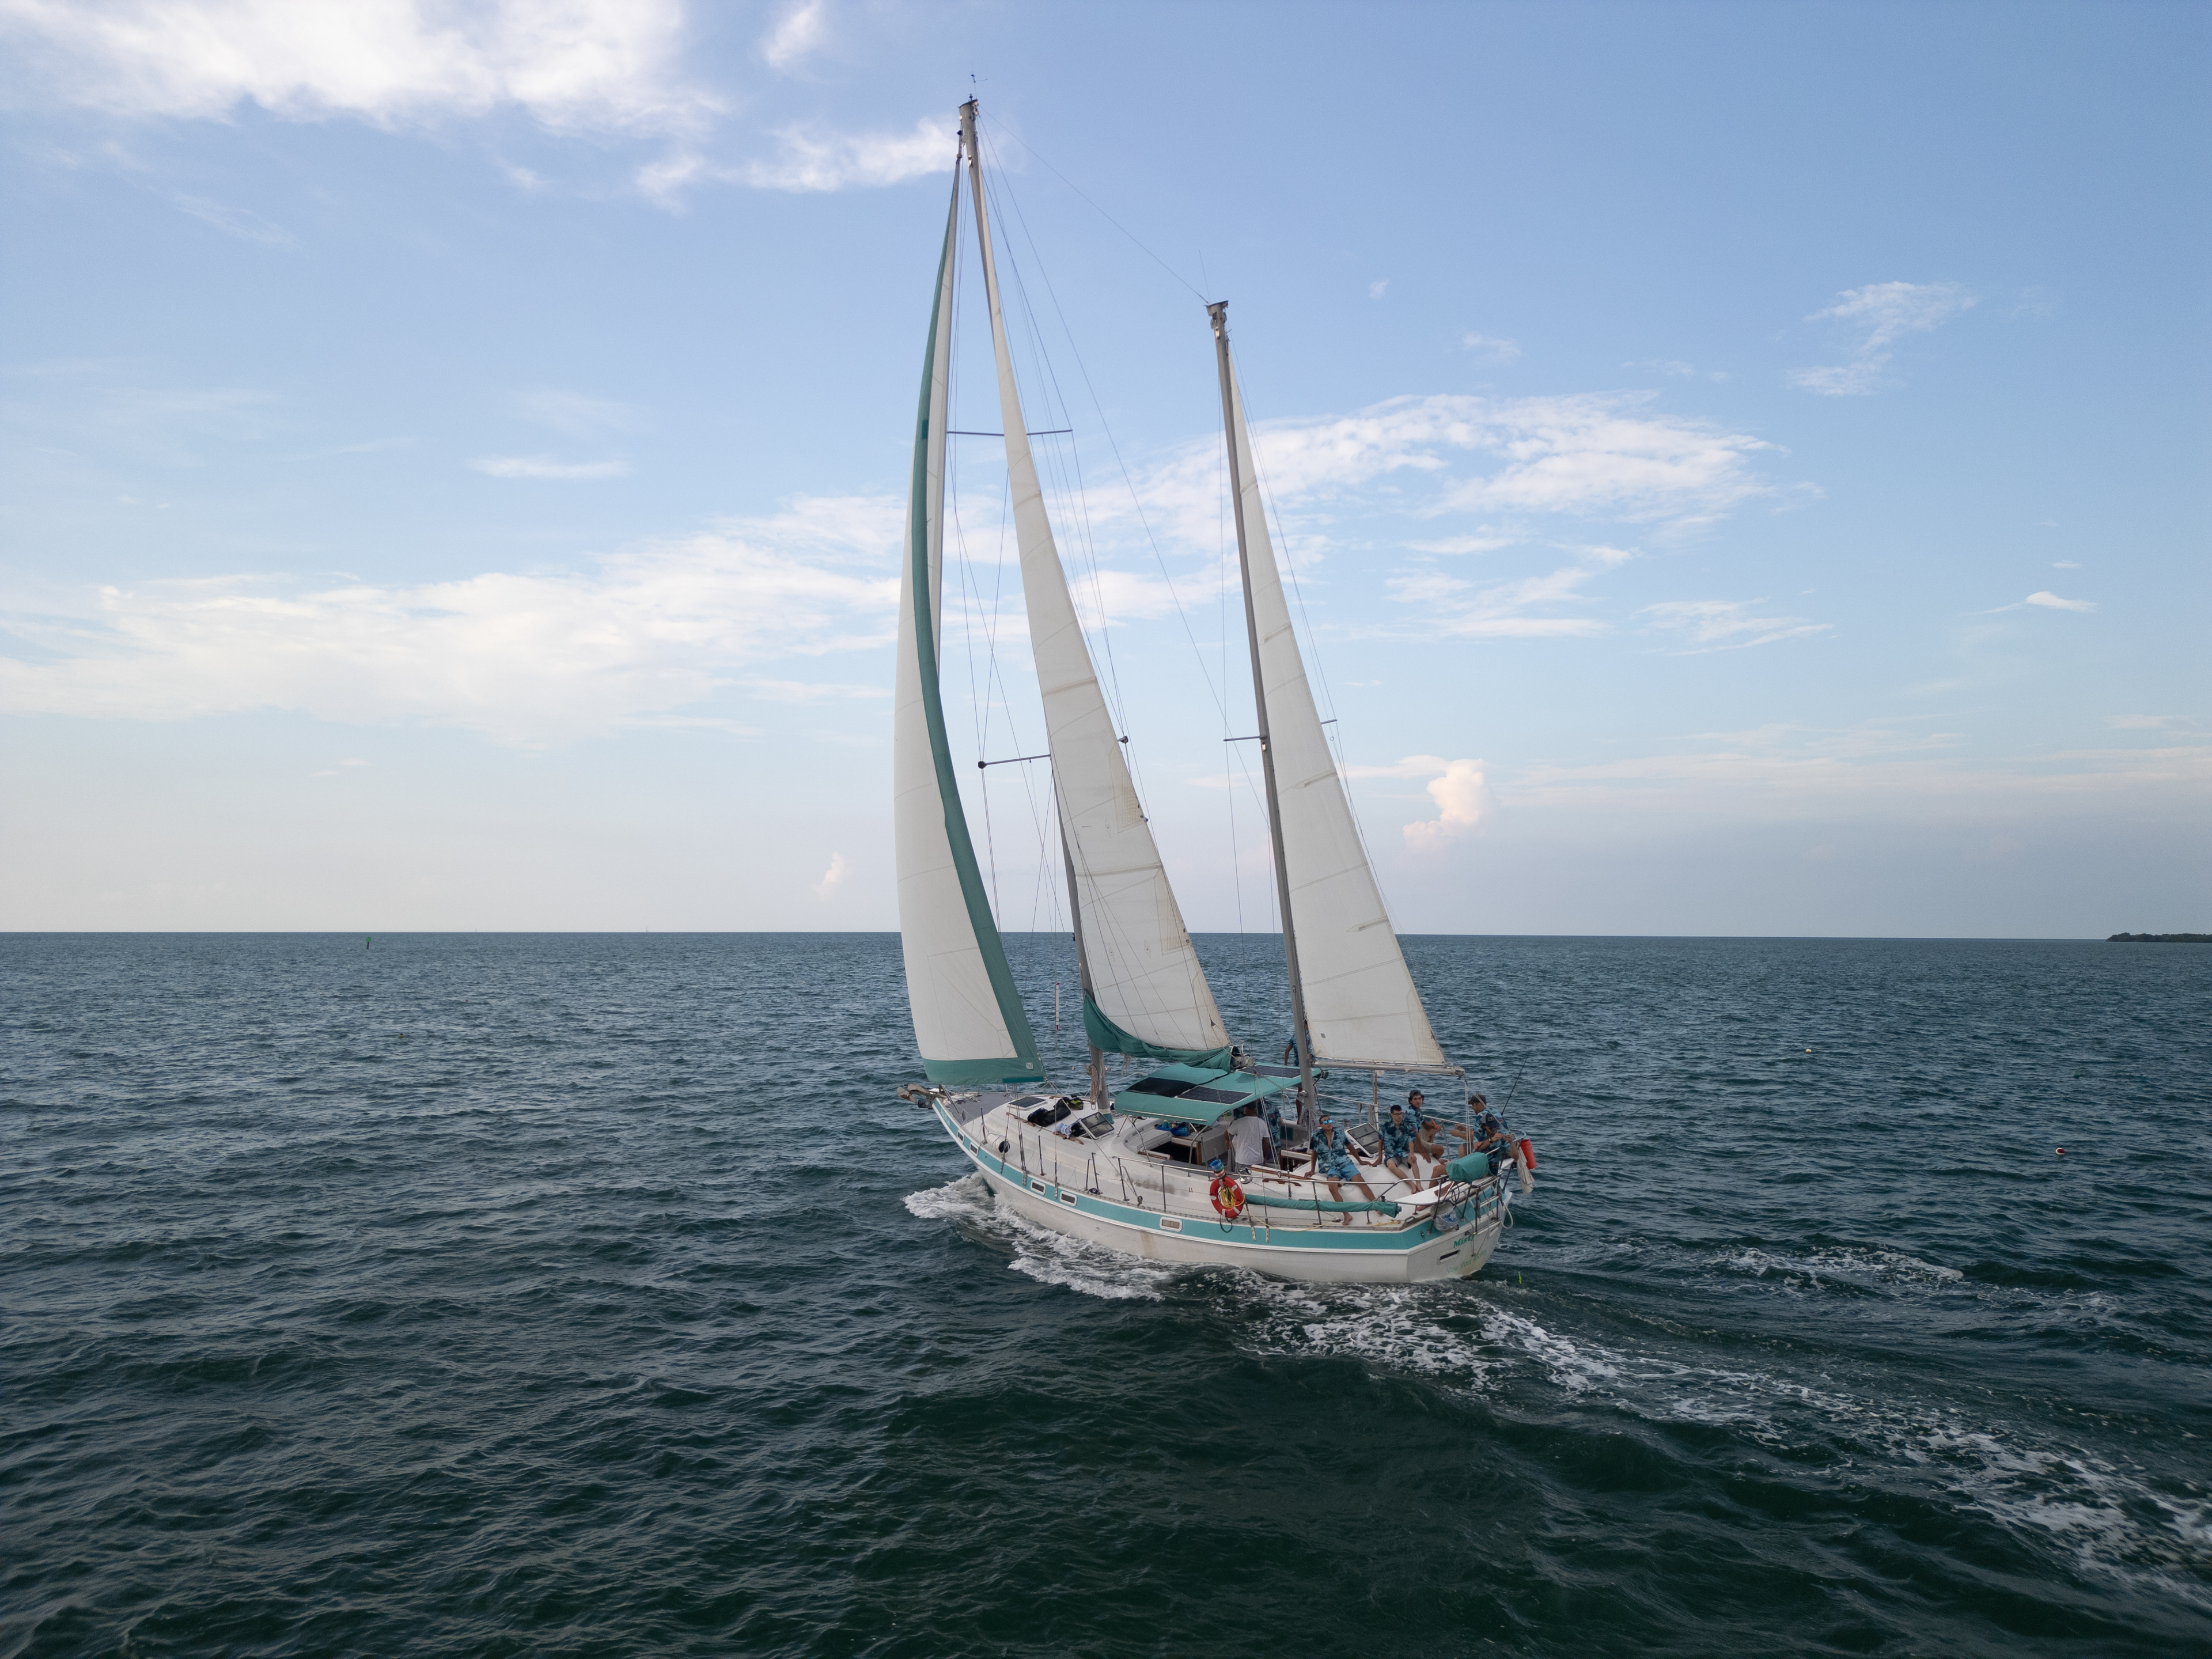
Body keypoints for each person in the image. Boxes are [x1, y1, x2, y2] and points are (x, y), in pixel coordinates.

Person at [1308, 1119, 1376, 1215]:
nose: (1329, 1123)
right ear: (1320, 1125)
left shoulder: (1339, 1131)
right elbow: (1314, 1153)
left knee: (1360, 1180)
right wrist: (1312, 1170)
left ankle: (1377, 1205)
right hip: (1330, 1166)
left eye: (1330, 1121)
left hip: (1344, 1162)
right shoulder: (1316, 1135)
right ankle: (1346, 1215)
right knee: (1332, 1188)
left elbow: (1350, 1146)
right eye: (1325, 1122)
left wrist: (1360, 1161)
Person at [1378, 1098, 1421, 1184]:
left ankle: (1419, 1184)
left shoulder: (1406, 1126)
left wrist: (1411, 1154)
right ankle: (1411, 1184)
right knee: (1390, 1165)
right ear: (1392, 1115)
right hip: (1391, 1155)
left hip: (1403, 1153)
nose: (1399, 1116)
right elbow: (1380, 1141)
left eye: (1401, 1114)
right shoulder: (1385, 1127)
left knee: (1413, 1160)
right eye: (1397, 1114)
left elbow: (1410, 1140)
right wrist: (1380, 1158)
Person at [1225, 1103, 1267, 1173]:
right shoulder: (1263, 1123)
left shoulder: (1239, 1122)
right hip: (1258, 1160)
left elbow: (1227, 1134)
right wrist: (1265, 1157)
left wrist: (1227, 1140)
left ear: (1247, 1109)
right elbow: (1266, 1142)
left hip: (1243, 1160)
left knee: (1242, 1179)